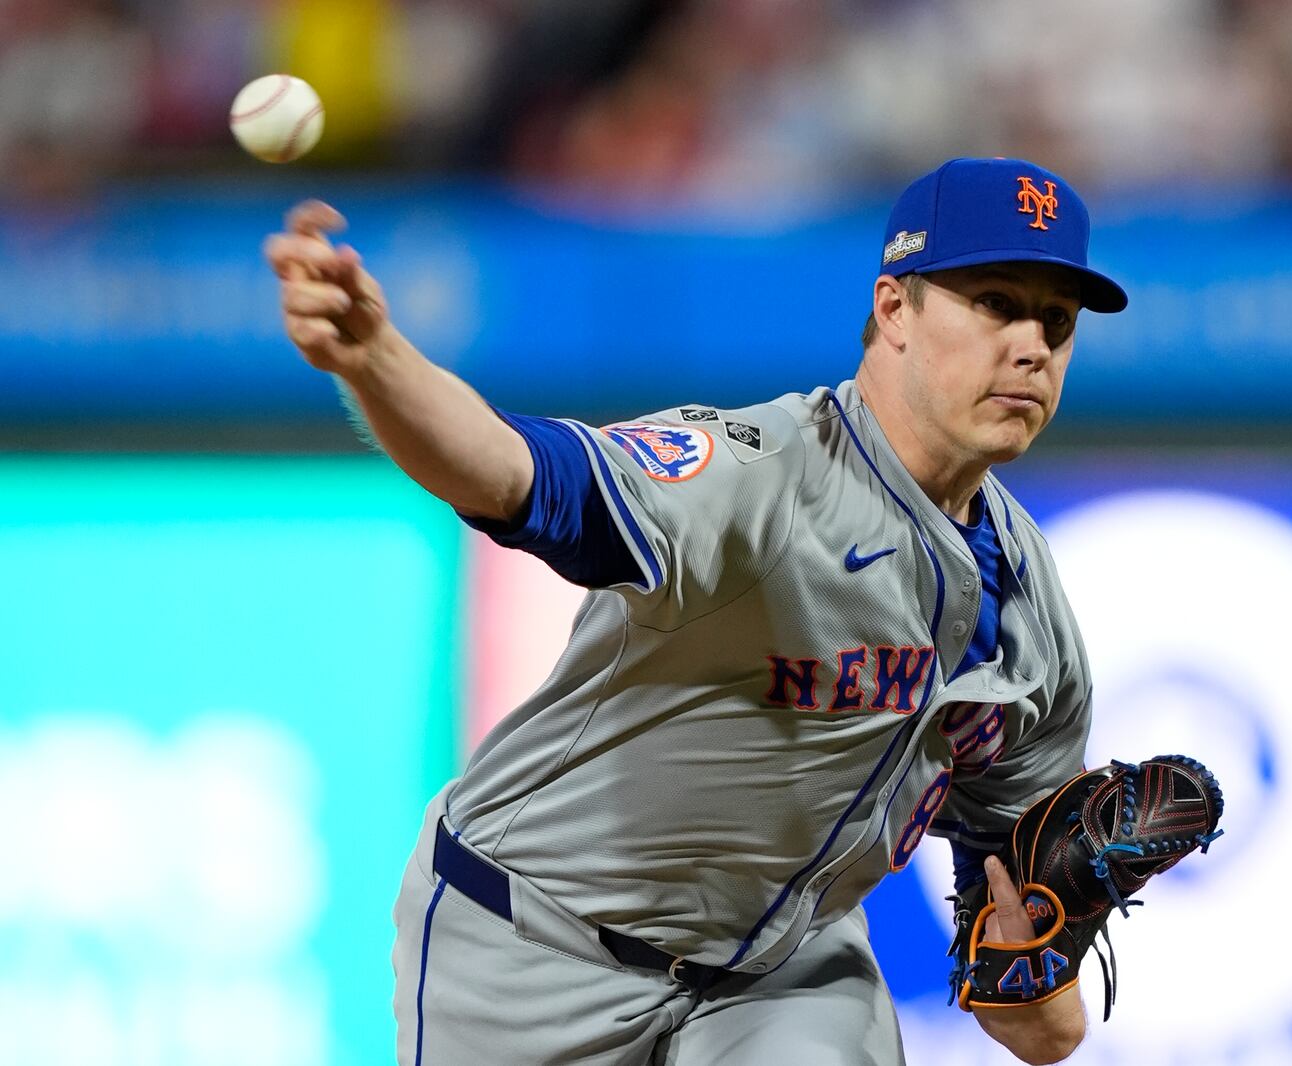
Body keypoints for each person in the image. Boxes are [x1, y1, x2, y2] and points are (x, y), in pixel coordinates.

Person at [264, 156, 1129, 1066]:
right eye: (995, 301)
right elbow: (520, 476)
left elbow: (1034, 1022)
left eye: (1057, 322)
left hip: (781, 974)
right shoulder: (763, 474)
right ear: (893, 309)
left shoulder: (1033, 616)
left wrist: (1039, 954)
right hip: (533, 941)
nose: (1032, 344)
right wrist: (375, 361)